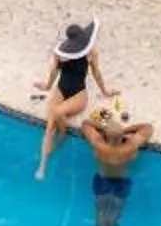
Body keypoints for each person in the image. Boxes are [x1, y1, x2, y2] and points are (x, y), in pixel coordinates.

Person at [32, 20, 110, 178]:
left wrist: (105, 91)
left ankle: (63, 132)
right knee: (49, 124)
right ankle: (43, 166)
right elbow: (53, 74)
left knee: (57, 112)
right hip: (61, 89)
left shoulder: (90, 53)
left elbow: (97, 74)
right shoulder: (59, 54)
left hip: (78, 94)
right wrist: (46, 86)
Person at [80, 103, 155, 226]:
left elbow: (85, 124)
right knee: (115, 211)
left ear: (106, 135)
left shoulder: (98, 143)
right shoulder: (129, 147)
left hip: (102, 181)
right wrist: (125, 130)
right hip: (121, 183)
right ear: (121, 136)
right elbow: (148, 128)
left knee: (100, 211)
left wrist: (103, 128)